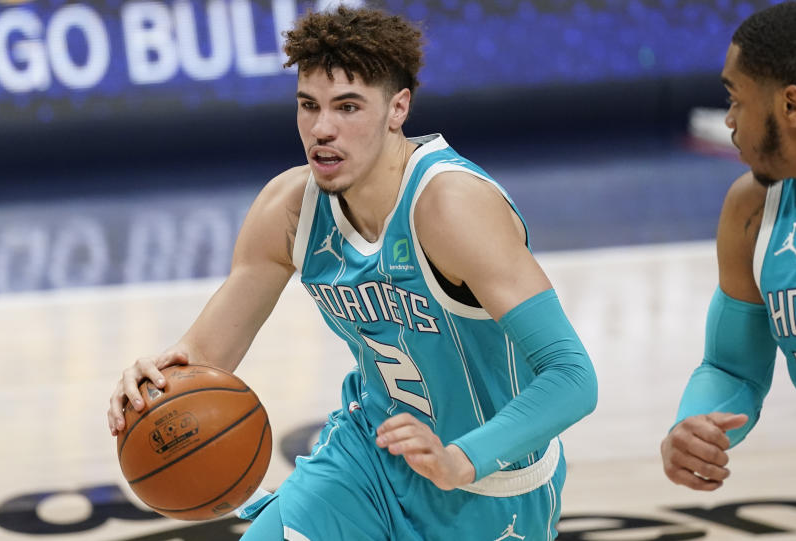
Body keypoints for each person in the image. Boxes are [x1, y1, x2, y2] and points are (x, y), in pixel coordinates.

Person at [107, 6, 597, 539]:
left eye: (347, 107)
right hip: (366, 462)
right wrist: (154, 386)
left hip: (488, 482)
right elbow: (205, 358)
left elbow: (572, 378)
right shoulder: (288, 211)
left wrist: (460, 459)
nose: (322, 129)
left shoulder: (450, 208)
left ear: (397, 108)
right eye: (308, 106)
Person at [661, 1, 796, 492]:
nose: (730, 120)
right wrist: (695, 425)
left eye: (737, 99)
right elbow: (732, 366)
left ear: (791, 106)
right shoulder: (753, 212)